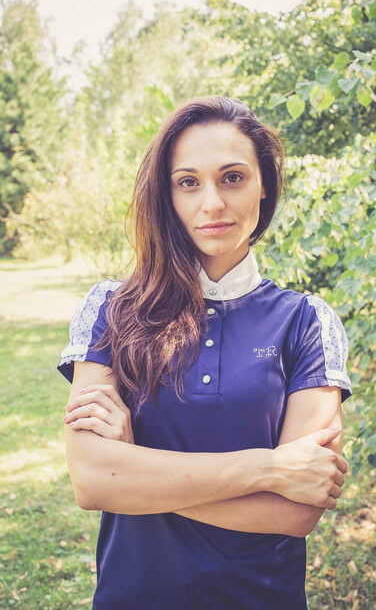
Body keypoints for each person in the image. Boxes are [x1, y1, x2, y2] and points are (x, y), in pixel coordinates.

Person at [58, 96, 352, 610]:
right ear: (166, 193)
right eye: (188, 182)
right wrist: (269, 468)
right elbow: (93, 481)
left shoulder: (307, 321)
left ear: (264, 185)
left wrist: (137, 469)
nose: (212, 203)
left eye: (232, 178)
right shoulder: (110, 308)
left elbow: (296, 512)